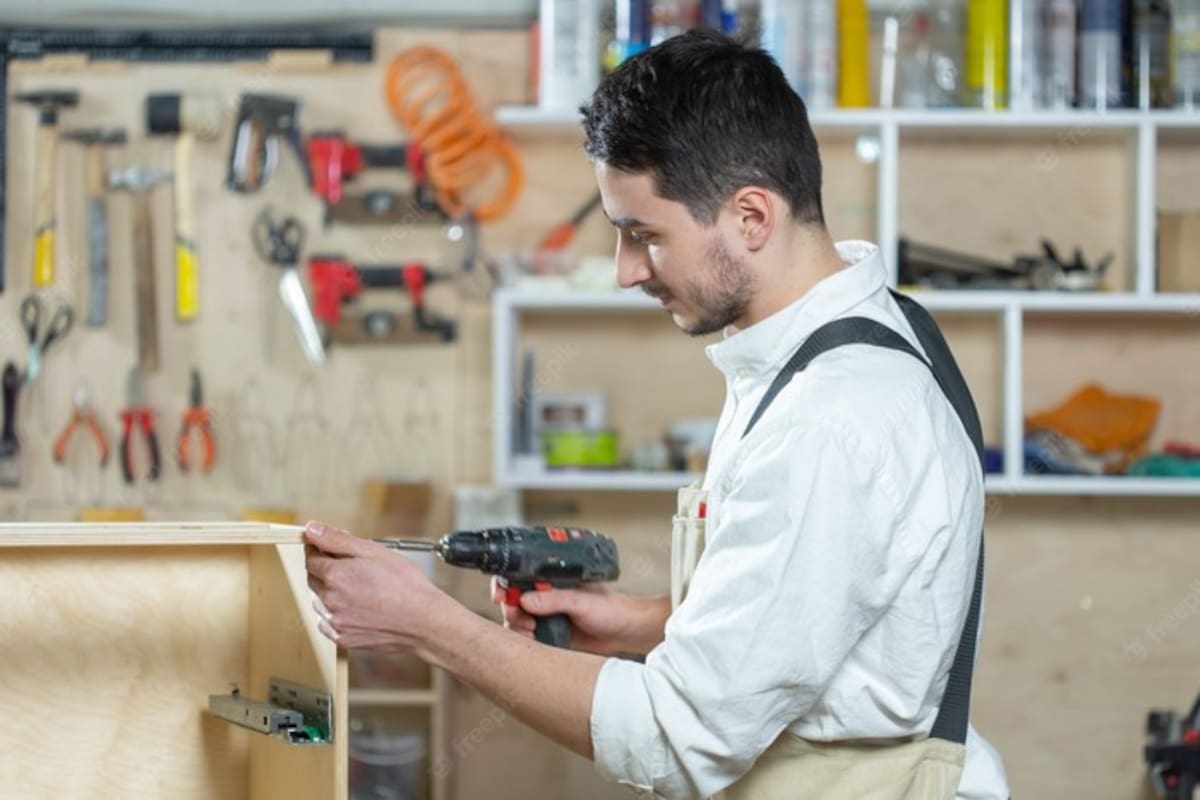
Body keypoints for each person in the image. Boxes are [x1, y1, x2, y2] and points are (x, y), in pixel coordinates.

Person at [304, 28, 1009, 800]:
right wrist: (650, 623)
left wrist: (429, 625)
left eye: (644, 236)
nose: (624, 272)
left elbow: (680, 738)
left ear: (751, 218)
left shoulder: (830, 417)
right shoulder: (853, 336)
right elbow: (823, 606)